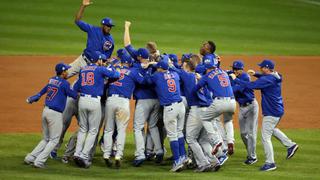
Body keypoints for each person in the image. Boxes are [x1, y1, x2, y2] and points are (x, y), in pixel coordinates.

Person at [230, 59, 299, 171]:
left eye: (262, 67)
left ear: (267, 68)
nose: (260, 68)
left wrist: (236, 80)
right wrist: (256, 74)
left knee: (265, 137)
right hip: (278, 109)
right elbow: (264, 79)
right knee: (272, 129)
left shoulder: (268, 79)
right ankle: (290, 145)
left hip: (272, 111)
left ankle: (270, 163)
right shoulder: (275, 76)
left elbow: (251, 85)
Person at [124, 21, 163, 166]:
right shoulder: (156, 63)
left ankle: (140, 155)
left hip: (144, 101)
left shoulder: (136, 65)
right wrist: (156, 55)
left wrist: (127, 28)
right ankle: (158, 151)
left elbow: (127, 45)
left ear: (139, 56)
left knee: (138, 127)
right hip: (156, 101)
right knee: (153, 126)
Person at [24, 63, 78, 168]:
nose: (67, 72)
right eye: (66, 70)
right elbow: (74, 95)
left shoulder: (52, 80)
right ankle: (39, 162)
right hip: (55, 114)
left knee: (45, 139)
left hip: (45, 111)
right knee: (54, 140)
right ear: (62, 72)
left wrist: (38, 95)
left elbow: (44, 90)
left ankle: (30, 158)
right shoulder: (65, 83)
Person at [73, 52, 120, 168]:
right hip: (94, 102)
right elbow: (116, 74)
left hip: (82, 101)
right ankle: (84, 156)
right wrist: (110, 65)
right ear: (98, 60)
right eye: (102, 61)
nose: (103, 62)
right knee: (93, 131)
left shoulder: (83, 69)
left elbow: (75, 87)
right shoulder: (100, 69)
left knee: (83, 129)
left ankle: (77, 153)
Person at [103, 53, 146, 168]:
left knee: (108, 130)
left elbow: (105, 81)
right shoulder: (133, 72)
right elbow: (144, 82)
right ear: (130, 63)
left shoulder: (113, 70)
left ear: (121, 62)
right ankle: (118, 155)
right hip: (123, 102)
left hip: (110, 100)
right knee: (121, 130)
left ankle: (106, 154)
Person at [144, 55, 187, 172]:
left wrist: (148, 68)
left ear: (159, 68)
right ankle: (183, 157)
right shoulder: (175, 74)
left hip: (170, 109)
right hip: (180, 106)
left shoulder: (157, 76)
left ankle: (177, 161)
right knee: (179, 133)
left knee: (173, 135)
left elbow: (146, 81)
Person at [194, 54, 236, 157]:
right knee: (228, 121)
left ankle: (216, 141)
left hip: (219, 102)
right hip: (232, 102)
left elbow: (196, 89)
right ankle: (230, 141)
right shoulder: (223, 72)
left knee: (205, 119)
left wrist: (200, 79)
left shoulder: (206, 76)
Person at [67, 0, 115, 78]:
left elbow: (106, 57)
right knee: (64, 74)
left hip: (92, 67)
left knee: (80, 86)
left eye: (110, 26)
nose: (109, 28)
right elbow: (77, 21)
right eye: (107, 26)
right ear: (102, 25)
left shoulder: (110, 41)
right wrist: (83, 6)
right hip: (82, 60)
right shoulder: (92, 29)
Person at [228, 60, 259, 164]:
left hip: (251, 106)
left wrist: (234, 79)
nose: (235, 71)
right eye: (234, 69)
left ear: (242, 69)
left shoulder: (245, 77)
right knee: (243, 134)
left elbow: (235, 90)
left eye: (237, 69)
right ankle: (250, 152)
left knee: (251, 134)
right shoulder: (232, 76)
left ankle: (252, 157)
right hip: (241, 107)